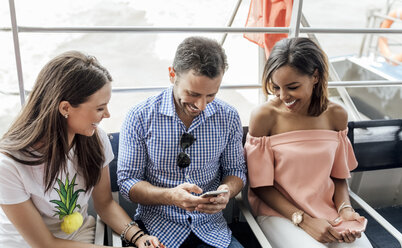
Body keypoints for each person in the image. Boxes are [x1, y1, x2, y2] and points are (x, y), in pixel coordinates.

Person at [0, 51, 163, 248]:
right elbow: (45, 243)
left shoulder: (96, 139)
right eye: (100, 108)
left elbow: (105, 204)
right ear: (65, 108)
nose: (108, 114)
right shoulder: (8, 165)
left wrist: (139, 238)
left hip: (80, 238)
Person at [117, 36, 247, 248]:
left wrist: (226, 191)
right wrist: (170, 196)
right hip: (157, 229)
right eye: (193, 94)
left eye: (211, 95)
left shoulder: (229, 116)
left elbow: (236, 171)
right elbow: (127, 183)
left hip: (212, 229)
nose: (201, 105)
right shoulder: (140, 116)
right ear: (172, 74)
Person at [244, 37, 373, 248]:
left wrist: (345, 210)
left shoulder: (337, 115)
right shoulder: (264, 116)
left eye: (292, 87)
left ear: (315, 76)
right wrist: (304, 221)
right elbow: (260, 187)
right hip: (279, 214)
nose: (283, 96)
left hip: (328, 211)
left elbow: (339, 177)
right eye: (276, 87)